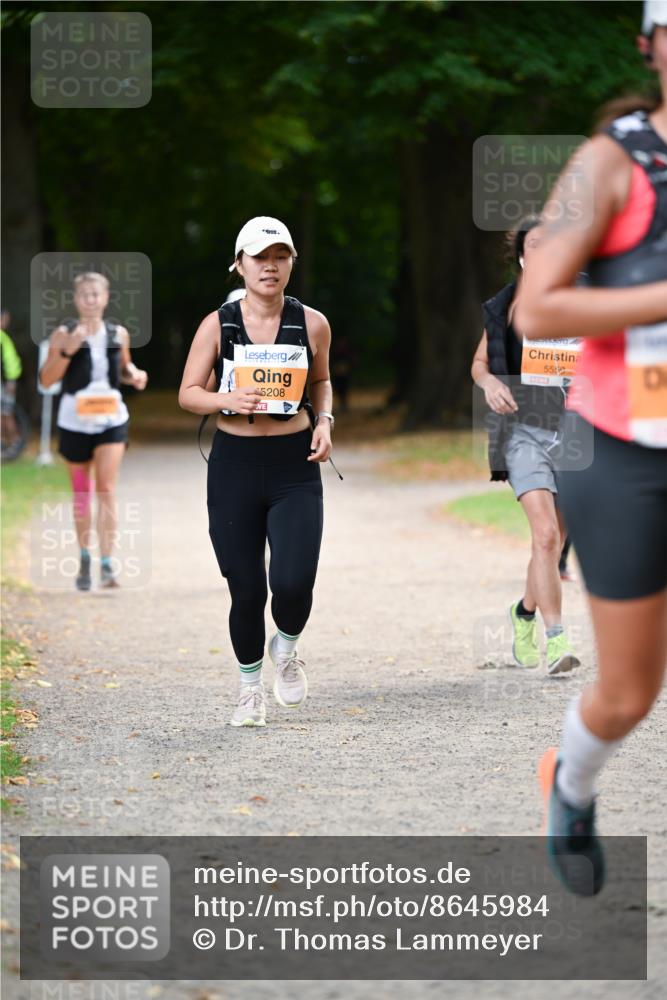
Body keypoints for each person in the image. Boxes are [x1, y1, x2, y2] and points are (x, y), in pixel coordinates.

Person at [516, 0, 667, 896]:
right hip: (626, 452)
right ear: (651, 46)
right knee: (627, 693)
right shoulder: (606, 163)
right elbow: (536, 307)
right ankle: (568, 785)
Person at [178, 217, 334, 728]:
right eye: (259, 257)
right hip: (234, 468)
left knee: (294, 580)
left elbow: (323, 380)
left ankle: (285, 647)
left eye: (280, 256)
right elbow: (187, 392)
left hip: (294, 466)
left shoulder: (312, 323)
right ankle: (249, 691)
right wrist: (226, 397)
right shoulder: (217, 324)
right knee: (246, 588)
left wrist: (326, 421)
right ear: (240, 264)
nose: (270, 266)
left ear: (292, 262)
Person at [472, 217, 581, 675]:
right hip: (524, 432)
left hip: (578, 434)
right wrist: (491, 384)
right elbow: (478, 365)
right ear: (520, 257)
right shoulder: (506, 309)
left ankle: (524, 612)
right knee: (546, 535)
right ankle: (557, 642)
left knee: (551, 543)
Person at [39, 272, 148, 590]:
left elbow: (124, 369)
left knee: (106, 487)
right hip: (74, 421)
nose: (90, 299)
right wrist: (67, 351)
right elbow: (47, 381)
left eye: (95, 294)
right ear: (76, 299)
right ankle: (85, 557)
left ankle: (107, 562)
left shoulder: (118, 333)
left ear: (105, 297)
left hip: (111, 419)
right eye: (84, 294)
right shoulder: (63, 334)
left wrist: (135, 375)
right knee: (82, 492)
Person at [1, 310, 24, 457]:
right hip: (7, 381)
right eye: (4, 319)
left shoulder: (4, 338)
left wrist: (11, 381)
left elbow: (11, 363)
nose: (6, 323)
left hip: (7, 382)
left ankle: (15, 442)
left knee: (6, 412)